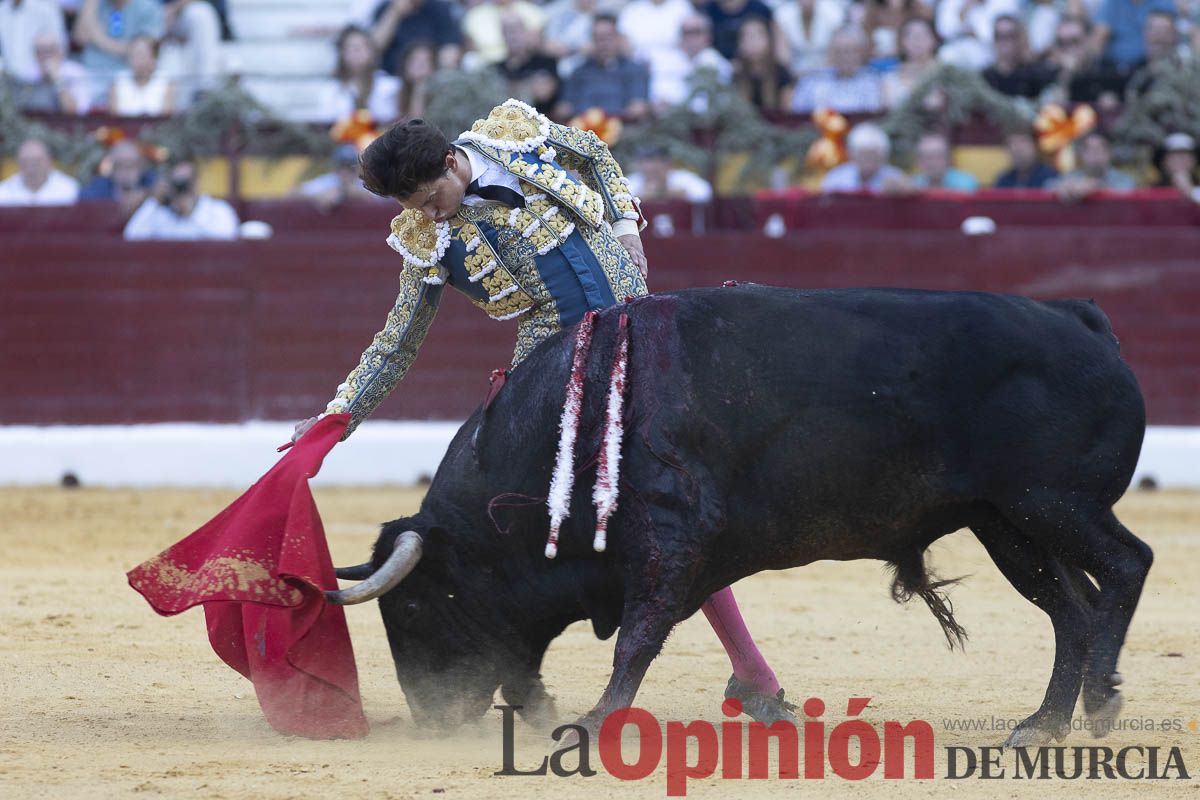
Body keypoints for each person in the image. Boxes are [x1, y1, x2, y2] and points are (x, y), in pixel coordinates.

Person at [290, 100, 795, 724]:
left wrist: (627, 222)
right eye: (411, 207)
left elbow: (594, 152)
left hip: (646, 336)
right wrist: (336, 419)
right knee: (637, 513)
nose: (423, 214)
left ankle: (747, 670)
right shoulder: (426, 239)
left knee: (676, 507)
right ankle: (524, 674)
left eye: (427, 198)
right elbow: (398, 342)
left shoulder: (512, 135)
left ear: (452, 162)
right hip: (561, 373)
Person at [557, 14, 651, 120]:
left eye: (607, 37)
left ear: (618, 38)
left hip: (623, 130)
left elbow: (638, 107)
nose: (603, 43)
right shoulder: (579, 72)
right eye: (598, 38)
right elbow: (564, 107)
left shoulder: (635, 71)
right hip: (583, 130)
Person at [123, 155, 240, 239]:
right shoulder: (160, 212)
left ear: (196, 183)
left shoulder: (218, 210)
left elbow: (226, 238)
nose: (181, 189)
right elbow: (132, 236)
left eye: (185, 183)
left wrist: (191, 214)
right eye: (177, 183)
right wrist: (154, 201)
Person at [791, 25, 882, 113]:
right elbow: (798, 117)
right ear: (830, 53)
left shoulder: (874, 82)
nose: (843, 57)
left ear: (861, 53)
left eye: (849, 51)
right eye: (838, 52)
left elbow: (876, 118)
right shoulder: (811, 82)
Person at [323, 25, 401, 124]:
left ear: (372, 52)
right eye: (349, 48)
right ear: (342, 54)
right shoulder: (331, 89)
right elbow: (327, 124)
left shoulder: (390, 86)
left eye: (360, 47)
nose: (356, 52)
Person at [73, 0, 164, 78]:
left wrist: (96, 37)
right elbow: (80, 38)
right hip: (91, 75)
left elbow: (140, 51)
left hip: (129, 79)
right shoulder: (95, 5)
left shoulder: (148, 7)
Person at [6, 32, 93, 114]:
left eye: (49, 50)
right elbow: (18, 109)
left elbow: (74, 112)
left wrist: (57, 79)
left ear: (60, 51)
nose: (44, 56)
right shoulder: (26, 73)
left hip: (65, 126)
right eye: (39, 51)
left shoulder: (75, 72)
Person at [371, 0, 463, 74]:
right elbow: (374, 49)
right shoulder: (385, 10)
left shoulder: (440, 9)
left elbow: (451, 50)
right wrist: (394, 13)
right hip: (392, 78)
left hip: (431, 75)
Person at [292, 143, 389, 212]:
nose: (345, 172)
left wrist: (344, 192)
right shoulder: (328, 181)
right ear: (335, 167)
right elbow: (294, 193)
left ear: (357, 168)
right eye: (342, 166)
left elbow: (382, 200)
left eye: (349, 167)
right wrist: (317, 196)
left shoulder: (364, 183)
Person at [497, 12, 561, 115]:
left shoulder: (546, 62)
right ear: (502, 36)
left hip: (542, 122)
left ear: (526, 33)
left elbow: (544, 94)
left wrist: (512, 88)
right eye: (507, 32)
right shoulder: (495, 68)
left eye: (516, 31)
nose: (513, 37)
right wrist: (530, 86)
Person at [819, 122, 908, 192]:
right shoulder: (835, 179)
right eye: (863, 155)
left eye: (873, 156)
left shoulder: (896, 178)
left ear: (883, 157)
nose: (868, 161)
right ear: (852, 155)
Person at [1050, 130, 1138, 201]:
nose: (1094, 154)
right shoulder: (1071, 178)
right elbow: (1047, 187)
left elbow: (1126, 191)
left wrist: (1094, 186)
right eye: (1089, 150)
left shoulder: (1124, 180)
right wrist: (1062, 187)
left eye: (1100, 149)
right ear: (1082, 154)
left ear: (1109, 153)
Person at [731, 15, 795, 111]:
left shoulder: (781, 73)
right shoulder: (735, 75)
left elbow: (787, 114)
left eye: (758, 36)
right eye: (747, 37)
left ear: (769, 40)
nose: (752, 42)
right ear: (740, 43)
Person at [982, 14, 1056, 97]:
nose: (1004, 42)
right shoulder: (984, 78)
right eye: (999, 36)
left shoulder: (1035, 75)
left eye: (1010, 36)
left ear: (1020, 39)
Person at [79, 138, 157, 215]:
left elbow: (162, 191)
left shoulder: (151, 182)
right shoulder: (97, 188)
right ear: (111, 168)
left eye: (131, 165)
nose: (126, 172)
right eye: (120, 165)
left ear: (141, 166)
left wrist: (144, 196)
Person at [1093, 0, 1177, 70]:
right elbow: (1098, 39)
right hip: (1115, 67)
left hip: (1150, 63)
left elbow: (1173, 30)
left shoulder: (1163, 3)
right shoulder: (1112, 3)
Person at [0, 0, 69, 83]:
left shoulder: (46, 7)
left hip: (41, 82)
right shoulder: (3, 9)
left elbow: (60, 48)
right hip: (9, 81)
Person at [773, 0, 846, 77]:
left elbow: (836, 54)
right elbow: (783, 56)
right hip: (794, 75)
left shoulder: (834, 12)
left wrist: (818, 75)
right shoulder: (782, 15)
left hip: (828, 74)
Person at [0, 137, 80, 206]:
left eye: (37, 161)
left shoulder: (69, 188)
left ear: (49, 162)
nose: (31, 167)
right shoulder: (3, 191)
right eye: (25, 161)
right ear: (18, 164)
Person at [109, 34, 176, 115]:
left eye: (140, 54)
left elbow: (166, 119)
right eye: (133, 55)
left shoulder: (167, 83)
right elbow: (113, 119)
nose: (136, 59)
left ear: (154, 59)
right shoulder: (118, 82)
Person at [881, 16, 940, 107]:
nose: (917, 40)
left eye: (923, 34)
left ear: (934, 40)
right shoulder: (890, 78)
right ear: (901, 42)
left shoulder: (946, 75)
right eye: (911, 35)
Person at [626, 146, 714, 202]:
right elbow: (621, 201)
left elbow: (705, 193)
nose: (651, 172)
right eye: (648, 170)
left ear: (667, 165)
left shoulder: (681, 177)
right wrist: (641, 196)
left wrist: (674, 193)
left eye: (656, 170)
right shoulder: (632, 181)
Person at [909, 131, 979, 191]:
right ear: (918, 162)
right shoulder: (913, 185)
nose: (932, 162)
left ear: (948, 159)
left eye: (937, 156)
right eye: (926, 157)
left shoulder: (965, 183)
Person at [992, 128, 1059, 187]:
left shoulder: (1049, 177)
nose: (1017, 148)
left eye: (1023, 141)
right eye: (1011, 143)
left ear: (1035, 146)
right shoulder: (1003, 180)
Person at [394, 41, 435, 120]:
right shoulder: (394, 90)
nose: (419, 65)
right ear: (405, 64)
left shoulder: (439, 96)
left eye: (426, 61)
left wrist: (420, 86)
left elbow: (418, 124)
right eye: (414, 60)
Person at [1155, 131, 1200, 203]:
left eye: (1185, 155)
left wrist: (1189, 190)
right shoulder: (1152, 189)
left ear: (1195, 160)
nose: (1179, 160)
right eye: (1174, 155)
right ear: (1163, 161)